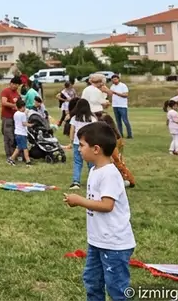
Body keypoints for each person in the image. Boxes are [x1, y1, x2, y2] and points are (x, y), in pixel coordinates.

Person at [63, 122, 135, 301]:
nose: (78, 149)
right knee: (92, 281)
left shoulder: (109, 174)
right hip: (97, 241)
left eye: (81, 145)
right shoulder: (95, 170)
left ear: (96, 149)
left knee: (116, 288)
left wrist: (79, 201)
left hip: (114, 244)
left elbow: (107, 205)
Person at [68, 98, 96, 190]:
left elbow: (72, 130)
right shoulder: (92, 119)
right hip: (89, 143)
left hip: (77, 143)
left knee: (77, 162)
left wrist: (71, 141)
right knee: (91, 163)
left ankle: (76, 182)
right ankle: (92, 180)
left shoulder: (74, 118)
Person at [0, 78, 21, 163]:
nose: (16, 86)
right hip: (7, 117)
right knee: (8, 136)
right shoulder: (6, 91)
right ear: (11, 83)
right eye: (15, 84)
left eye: (18, 85)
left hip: (15, 117)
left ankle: (14, 153)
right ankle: (9, 154)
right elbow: (4, 102)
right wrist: (14, 106)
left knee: (15, 136)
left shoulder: (17, 93)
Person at [13, 99, 32, 165]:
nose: (25, 108)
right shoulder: (23, 114)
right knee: (25, 148)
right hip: (22, 133)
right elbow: (24, 123)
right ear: (22, 107)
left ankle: (11, 159)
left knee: (19, 147)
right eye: (24, 107)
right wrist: (30, 125)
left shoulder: (15, 113)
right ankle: (28, 161)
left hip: (17, 133)